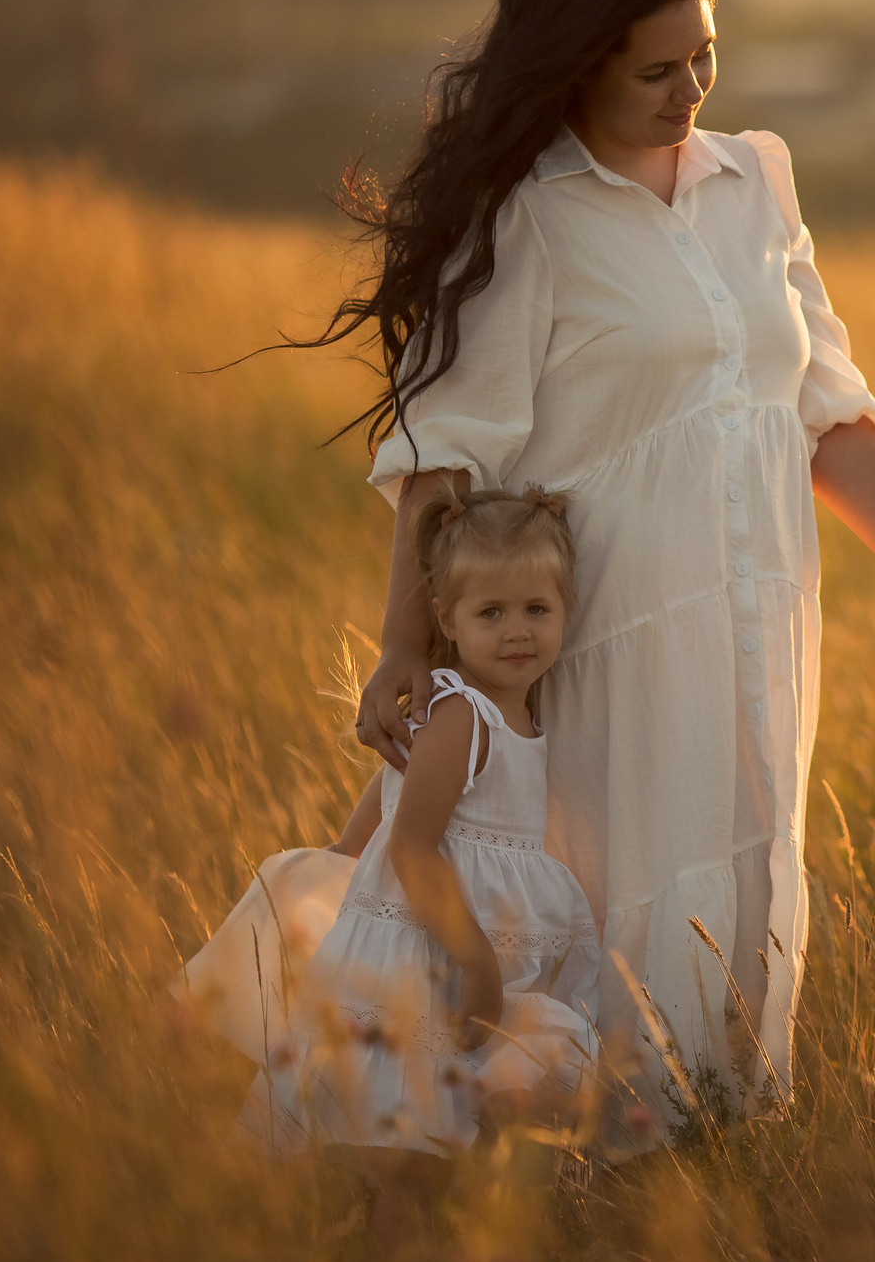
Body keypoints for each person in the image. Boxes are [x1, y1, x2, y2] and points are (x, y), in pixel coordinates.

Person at [310, 0, 875, 1126]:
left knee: (740, 895)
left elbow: (826, 418)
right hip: (601, 645)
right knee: (616, 908)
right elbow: (443, 464)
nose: (689, 87)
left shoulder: (758, 182)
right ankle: (595, 1197)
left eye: (705, 55)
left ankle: (711, 1186)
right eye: (655, 68)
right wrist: (402, 650)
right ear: (578, 62)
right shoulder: (525, 218)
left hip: (756, 629)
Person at [180, 486, 599, 1182]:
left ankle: (454, 1223)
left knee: (454, 1121)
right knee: (392, 1137)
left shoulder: (520, 714)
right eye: (491, 612)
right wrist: (476, 962)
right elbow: (410, 839)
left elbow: (397, 784)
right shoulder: (462, 716)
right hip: (431, 950)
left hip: (478, 942)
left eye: (536, 609)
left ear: (567, 610)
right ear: (447, 619)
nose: (517, 630)